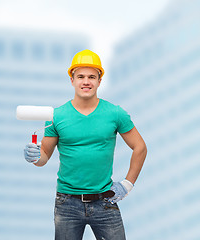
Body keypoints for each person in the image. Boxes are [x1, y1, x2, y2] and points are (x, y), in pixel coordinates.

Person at [24, 49, 147, 240]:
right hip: (67, 204)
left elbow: (140, 147)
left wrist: (127, 185)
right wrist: (35, 156)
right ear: (72, 80)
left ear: (99, 80)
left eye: (92, 76)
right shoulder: (56, 116)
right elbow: (44, 156)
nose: (86, 81)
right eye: (80, 76)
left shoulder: (115, 113)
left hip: (105, 200)